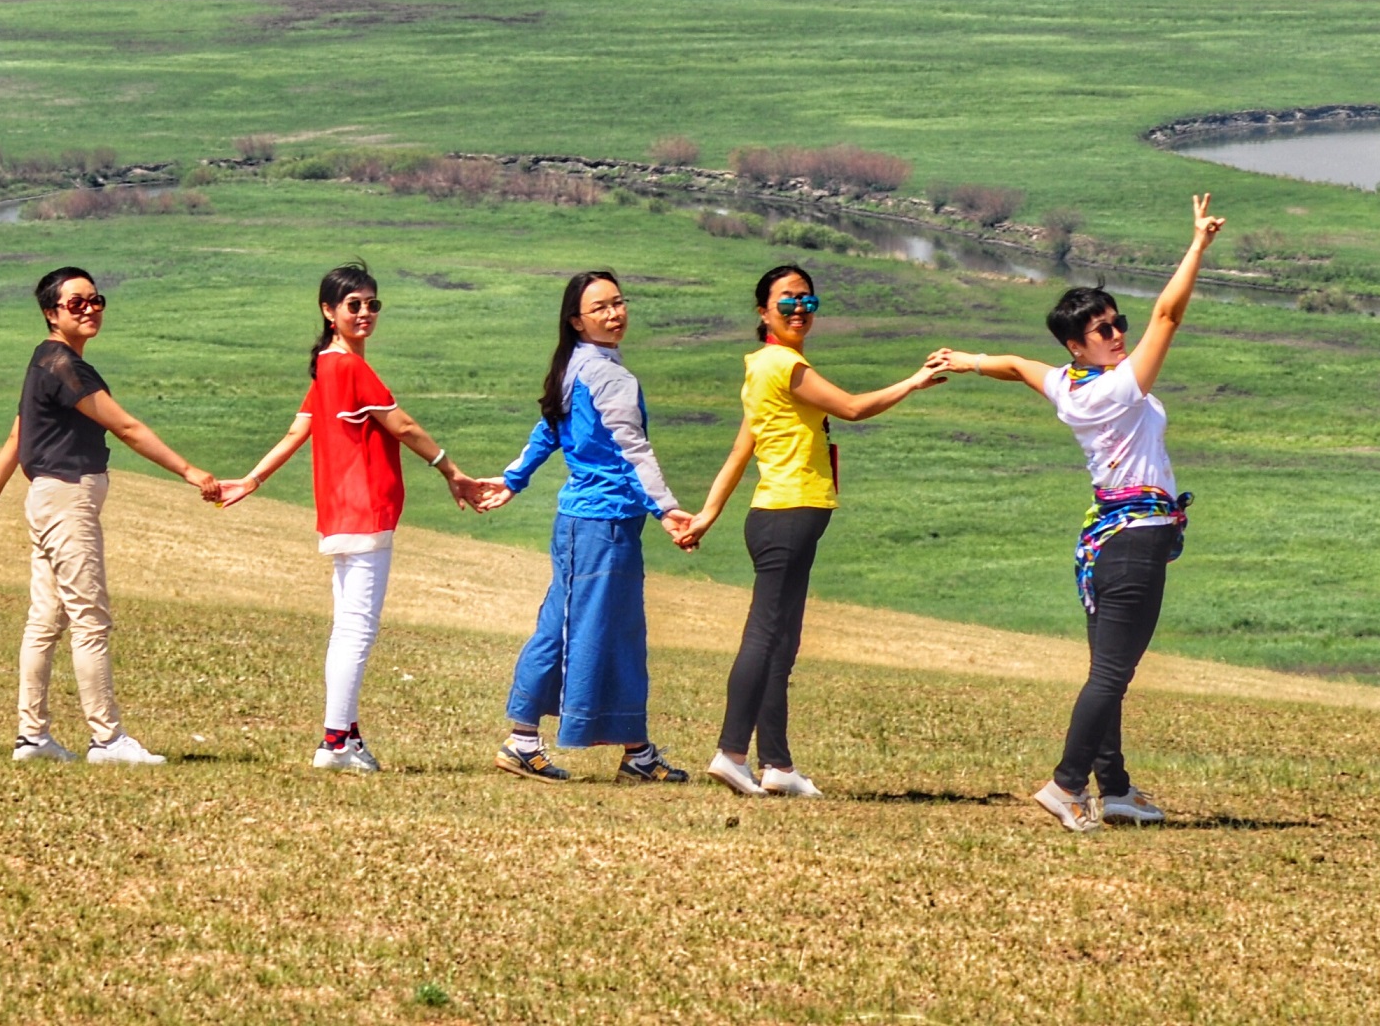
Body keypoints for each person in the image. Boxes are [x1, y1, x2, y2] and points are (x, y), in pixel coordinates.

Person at [933, 196, 1223, 832]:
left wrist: (966, 361)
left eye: (1120, 323)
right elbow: (1170, 314)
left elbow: (1017, 365)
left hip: (1103, 542)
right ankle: (1066, 786)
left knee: (1105, 672)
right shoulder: (1120, 388)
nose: (1120, 335)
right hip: (1135, 543)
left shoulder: (1069, 383)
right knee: (1114, 675)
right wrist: (1198, 245)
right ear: (1078, 343)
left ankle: (1114, 788)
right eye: (1105, 330)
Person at [682, 264, 948, 799]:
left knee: (782, 641)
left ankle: (776, 764)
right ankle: (732, 753)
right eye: (786, 301)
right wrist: (915, 380)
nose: (799, 309)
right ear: (763, 312)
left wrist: (707, 515)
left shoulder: (763, 368)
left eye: (807, 301)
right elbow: (852, 408)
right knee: (765, 635)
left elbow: (743, 449)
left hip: (782, 514)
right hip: (788, 513)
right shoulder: (783, 363)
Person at [217, 263, 491, 772]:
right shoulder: (349, 368)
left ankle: (347, 735)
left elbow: (296, 432)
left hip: (340, 514)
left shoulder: (325, 368)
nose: (365, 314)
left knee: (348, 626)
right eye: (354, 305)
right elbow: (404, 426)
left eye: (372, 305)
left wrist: (252, 480)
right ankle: (335, 742)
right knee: (356, 630)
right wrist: (453, 471)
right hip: (365, 511)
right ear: (329, 312)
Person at [0, 266, 222, 766]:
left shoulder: (43, 361)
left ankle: (32, 736)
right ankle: (106, 739)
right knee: (88, 619)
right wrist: (190, 471)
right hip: (66, 499)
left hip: (47, 495)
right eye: (76, 303)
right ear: (51, 313)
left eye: (95, 300)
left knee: (47, 619)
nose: (89, 310)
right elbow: (125, 426)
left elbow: (20, 434)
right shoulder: (65, 366)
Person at [482, 269, 698, 785]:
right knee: (578, 633)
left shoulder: (579, 364)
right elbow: (631, 450)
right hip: (599, 526)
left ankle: (632, 752)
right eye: (600, 308)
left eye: (619, 303)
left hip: (594, 526)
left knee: (606, 633)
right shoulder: (607, 375)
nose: (614, 314)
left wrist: (515, 478)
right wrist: (666, 509)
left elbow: (549, 427)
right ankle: (526, 742)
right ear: (577, 320)